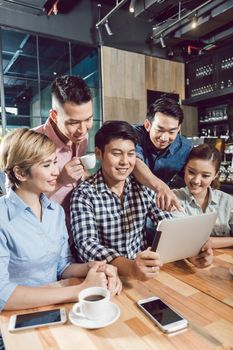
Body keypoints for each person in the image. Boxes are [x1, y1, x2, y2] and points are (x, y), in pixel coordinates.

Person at [70, 121, 213, 281]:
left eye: (130, 154)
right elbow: (87, 245)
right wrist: (131, 267)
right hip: (104, 278)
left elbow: (166, 225)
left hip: (143, 275)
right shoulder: (84, 194)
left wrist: (191, 253)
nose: (125, 162)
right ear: (98, 153)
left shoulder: (142, 188)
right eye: (116, 154)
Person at [0, 129, 122, 312]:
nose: (57, 171)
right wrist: (80, 290)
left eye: (55, 162)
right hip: (14, 317)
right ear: (20, 173)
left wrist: (94, 267)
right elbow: (3, 295)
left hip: (54, 308)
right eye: (47, 165)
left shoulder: (55, 211)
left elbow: (62, 266)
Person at [34, 75, 93, 227]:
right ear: (54, 116)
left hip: (76, 230)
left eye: (88, 119)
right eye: (73, 122)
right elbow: (17, 206)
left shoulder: (81, 138)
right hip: (46, 235)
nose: (82, 130)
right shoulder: (30, 144)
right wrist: (61, 181)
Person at [133, 97, 193, 211]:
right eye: (159, 130)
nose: (164, 138)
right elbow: (135, 162)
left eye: (172, 132)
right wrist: (161, 187)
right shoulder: (133, 133)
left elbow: (192, 175)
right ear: (147, 125)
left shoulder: (185, 147)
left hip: (161, 205)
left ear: (179, 128)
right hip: (132, 201)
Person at [172, 144, 233, 249]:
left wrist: (210, 242)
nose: (196, 181)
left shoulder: (228, 201)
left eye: (205, 176)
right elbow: (180, 240)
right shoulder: (173, 198)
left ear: (215, 175)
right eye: (191, 172)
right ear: (184, 169)